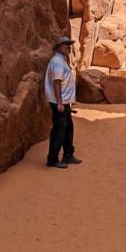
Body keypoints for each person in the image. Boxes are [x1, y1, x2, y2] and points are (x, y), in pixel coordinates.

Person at [45, 36, 81, 169]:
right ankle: (52, 160)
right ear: (60, 47)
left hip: (64, 102)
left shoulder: (62, 60)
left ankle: (68, 155)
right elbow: (56, 82)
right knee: (59, 130)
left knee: (68, 129)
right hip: (59, 103)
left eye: (69, 44)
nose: (69, 47)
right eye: (66, 45)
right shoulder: (57, 61)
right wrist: (59, 103)